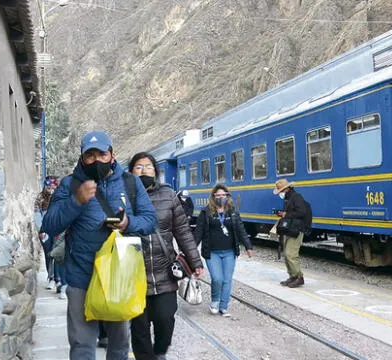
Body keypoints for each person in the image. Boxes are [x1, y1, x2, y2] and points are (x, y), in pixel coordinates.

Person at [41, 131, 157, 360]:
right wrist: (76, 201)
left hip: (119, 278)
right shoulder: (70, 184)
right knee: (82, 347)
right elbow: (49, 225)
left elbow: (150, 220)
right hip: (82, 277)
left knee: (119, 347)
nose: (97, 161)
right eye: (90, 156)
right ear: (82, 158)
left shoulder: (130, 183)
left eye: (102, 154)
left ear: (112, 155)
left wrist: (127, 223)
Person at [128, 152, 204, 360]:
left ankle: (160, 351)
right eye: (139, 167)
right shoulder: (124, 195)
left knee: (165, 318)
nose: (144, 171)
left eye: (148, 167)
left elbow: (183, 231)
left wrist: (195, 261)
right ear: (130, 171)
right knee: (139, 326)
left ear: (156, 171)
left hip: (165, 271)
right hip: (134, 273)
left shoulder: (169, 195)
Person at [195, 184, 254, 317]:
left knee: (227, 280)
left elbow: (240, 229)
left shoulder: (232, 211)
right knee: (217, 279)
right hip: (212, 252)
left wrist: (248, 246)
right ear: (213, 197)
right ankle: (215, 301)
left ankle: (223, 306)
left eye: (223, 195)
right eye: (218, 195)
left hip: (229, 252)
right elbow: (198, 232)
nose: (221, 197)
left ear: (227, 196)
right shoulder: (206, 212)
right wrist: (191, 251)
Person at [274, 179, 308, 288]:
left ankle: (299, 277)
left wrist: (286, 214)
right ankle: (292, 276)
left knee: (290, 254)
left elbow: (302, 212)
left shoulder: (296, 197)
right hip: (290, 229)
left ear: (287, 189)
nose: (280, 193)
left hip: (296, 229)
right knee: (287, 254)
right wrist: (283, 214)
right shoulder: (288, 198)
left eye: (281, 191)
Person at [34, 176, 59, 290]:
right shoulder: (40, 198)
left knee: (59, 253)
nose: (50, 187)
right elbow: (37, 214)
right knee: (49, 254)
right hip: (46, 231)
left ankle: (59, 279)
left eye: (52, 185)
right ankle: (51, 278)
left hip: (58, 229)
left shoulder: (60, 196)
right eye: (47, 185)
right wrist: (41, 230)